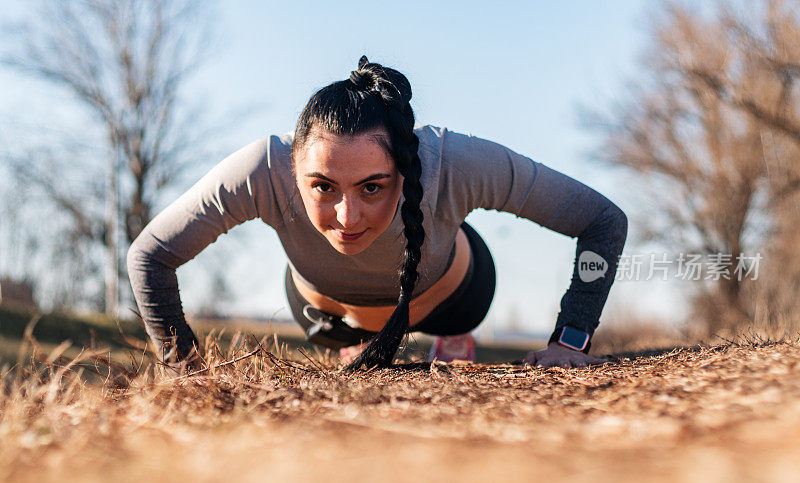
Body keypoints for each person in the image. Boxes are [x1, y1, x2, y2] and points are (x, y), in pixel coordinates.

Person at [127, 55, 627, 373]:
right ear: (293, 169)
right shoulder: (262, 169)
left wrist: (572, 340)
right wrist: (182, 368)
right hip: (327, 316)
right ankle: (360, 343)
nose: (347, 217)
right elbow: (149, 255)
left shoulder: (455, 162)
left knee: (457, 307)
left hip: (453, 298)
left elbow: (602, 220)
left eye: (372, 187)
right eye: (322, 186)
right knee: (350, 344)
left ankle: (451, 337)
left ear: (403, 169)